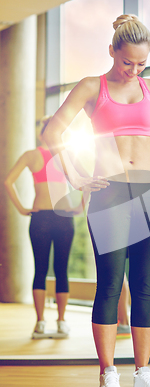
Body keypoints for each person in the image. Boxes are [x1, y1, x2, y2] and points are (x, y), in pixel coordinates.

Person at [43, 14, 150, 387]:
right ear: (111, 51)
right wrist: (74, 176)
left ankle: (143, 372)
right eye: (127, 62)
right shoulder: (92, 87)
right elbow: (52, 131)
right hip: (108, 194)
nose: (134, 70)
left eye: (141, 63)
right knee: (109, 285)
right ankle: (108, 373)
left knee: (143, 286)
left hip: (149, 194)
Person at [4, 116, 75, 337]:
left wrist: (22, 209)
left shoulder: (61, 155)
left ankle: (53, 321)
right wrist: (21, 209)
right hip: (52, 217)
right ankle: (46, 321)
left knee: (48, 270)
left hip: (52, 218)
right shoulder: (40, 155)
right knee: (52, 270)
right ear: (44, 133)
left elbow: (7, 182)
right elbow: (6, 181)